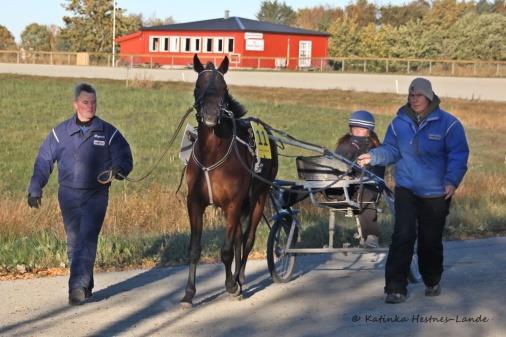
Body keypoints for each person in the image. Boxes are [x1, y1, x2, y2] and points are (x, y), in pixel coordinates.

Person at [357, 78, 469, 304]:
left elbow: (458, 155)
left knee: (430, 239)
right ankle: (395, 287)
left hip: (437, 192)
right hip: (406, 188)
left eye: (418, 95)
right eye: (411, 95)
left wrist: (452, 181)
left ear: (429, 96)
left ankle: (432, 278)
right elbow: (391, 150)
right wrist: (374, 156)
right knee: (403, 235)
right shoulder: (399, 124)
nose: (414, 99)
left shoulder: (449, 124)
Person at [27, 83, 133, 305]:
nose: (90, 106)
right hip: (68, 196)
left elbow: (125, 157)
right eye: (86, 102)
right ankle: (86, 284)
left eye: (94, 102)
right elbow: (44, 160)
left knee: (86, 237)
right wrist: (36, 187)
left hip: (96, 196)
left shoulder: (108, 132)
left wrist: (119, 169)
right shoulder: (59, 133)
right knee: (74, 240)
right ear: (76, 104)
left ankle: (76, 287)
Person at [335, 110, 385, 248]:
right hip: (346, 187)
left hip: (369, 186)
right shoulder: (344, 145)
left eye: (361, 130)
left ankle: (371, 236)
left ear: (369, 131)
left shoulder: (374, 149)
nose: (357, 133)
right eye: (355, 129)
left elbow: (375, 173)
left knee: (364, 195)